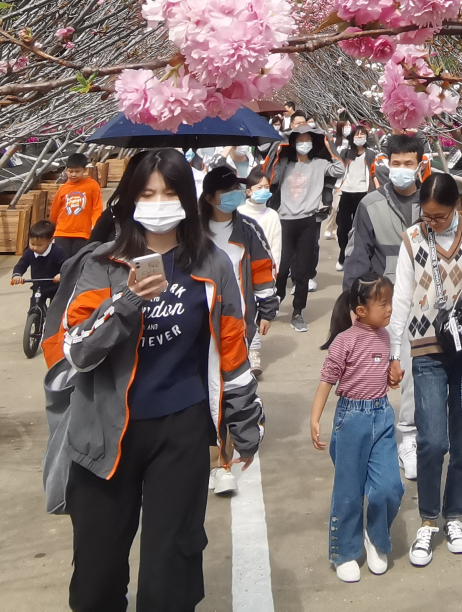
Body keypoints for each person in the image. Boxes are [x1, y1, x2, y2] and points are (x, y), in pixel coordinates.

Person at [55, 148, 263, 612]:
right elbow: (77, 351)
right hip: (107, 436)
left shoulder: (211, 264)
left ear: (188, 200)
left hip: (180, 431)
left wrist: (245, 424)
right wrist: (126, 302)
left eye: (169, 192)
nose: (158, 202)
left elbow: (233, 350)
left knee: (169, 579)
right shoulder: (103, 264)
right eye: (147, 193)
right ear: (130, 199)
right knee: (95, 581)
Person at [388, 172, 462, 567]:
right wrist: (393, 353)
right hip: (426, 348)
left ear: (455, 207)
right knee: (433, 441)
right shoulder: (413, 239)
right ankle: (428, 519)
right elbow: (401, 298)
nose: (430, 222)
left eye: (438, 215)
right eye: (426, 214)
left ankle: (454, 516)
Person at [341, 131, 429, 476]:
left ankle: (408, 437)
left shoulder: (432, 202)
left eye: (409, 163)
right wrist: (355, 304)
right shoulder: (371, 205)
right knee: (375, 372)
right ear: (386, 165)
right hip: (384, 304)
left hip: (425, 304)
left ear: (421, 165)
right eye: (396, 164)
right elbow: (357, 255)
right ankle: (376, 436)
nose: (402, 169)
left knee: (410, 372)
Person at [310, 276, 406, 583]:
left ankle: (376, 538)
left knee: (389, 486)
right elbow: (327, 379)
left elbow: (385, 373)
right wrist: (315, 418)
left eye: (391, 302)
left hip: (382, 416)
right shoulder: (345, 341)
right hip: (351, 419)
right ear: (361, 311)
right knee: (349, 492)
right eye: (383, 304)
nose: (390, 309)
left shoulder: (386, 336)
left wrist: (393, 377)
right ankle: (345, 552)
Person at [198, 164, 278, 480]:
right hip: (200, 325)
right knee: (207, 387)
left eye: (237, 189)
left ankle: (227, 456)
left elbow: (263, 269)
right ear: (209, 197)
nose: (235, 195)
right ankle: (213, 453)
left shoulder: (247, 230)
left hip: (238, 321)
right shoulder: (192, 231)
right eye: (227, 190)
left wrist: (267, 308)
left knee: (235, 385)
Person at [270, 120, 336, 333]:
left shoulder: (318, 164)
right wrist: (277, 151)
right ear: (293, 143)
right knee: (281, 269)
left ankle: (298, 311)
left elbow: (339, 168)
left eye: (308, 140)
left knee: (302, 271)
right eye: (300, 141)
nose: (304, 144)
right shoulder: (285, 165)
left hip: (308, 221)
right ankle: (278, 297)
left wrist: (328, 145)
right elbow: (270, 176)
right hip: (285, 221)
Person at [238, 168, 283, 374]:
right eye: (259, 187)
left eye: (266, 187)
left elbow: (275, 247)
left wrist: (273, 274)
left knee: (256, 310)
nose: (264, 190)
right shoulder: (238, 214)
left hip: (263, 272)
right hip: (242, 271)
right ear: (248, 191)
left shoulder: (272, 215)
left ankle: (254, 352)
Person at [332, 120, 372, 259]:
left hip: (362, 194)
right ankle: (343, 253)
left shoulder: (371, 154)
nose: (359, 137)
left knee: (360, 227)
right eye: (357, 134)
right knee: (343, 227)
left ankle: (358, 254)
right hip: (346, 193)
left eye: (362, 134)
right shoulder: (346, 153)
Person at [52, 153, 105, 253]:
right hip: (62, 232)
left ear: (84, 170)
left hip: (83, 233)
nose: (73, 174)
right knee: (61, 262)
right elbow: (55, 211)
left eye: (77, 171)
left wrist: (96, 228)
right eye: (70, 171)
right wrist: (51, 229)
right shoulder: (63, 188)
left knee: (78, 261)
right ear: (66, 170)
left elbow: (97, 208)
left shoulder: (92, 185)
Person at [13, 219, 66, 296]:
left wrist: (62, 274)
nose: (35, 248)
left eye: (39, 245)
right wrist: (17, 275)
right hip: (38, 287)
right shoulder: (29, 252)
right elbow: (21, 264)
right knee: (35, 305)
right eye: (32, 243)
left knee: (57, 307)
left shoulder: (57, 251)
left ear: (50, 241)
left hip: (56, 287)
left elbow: (66, 265)